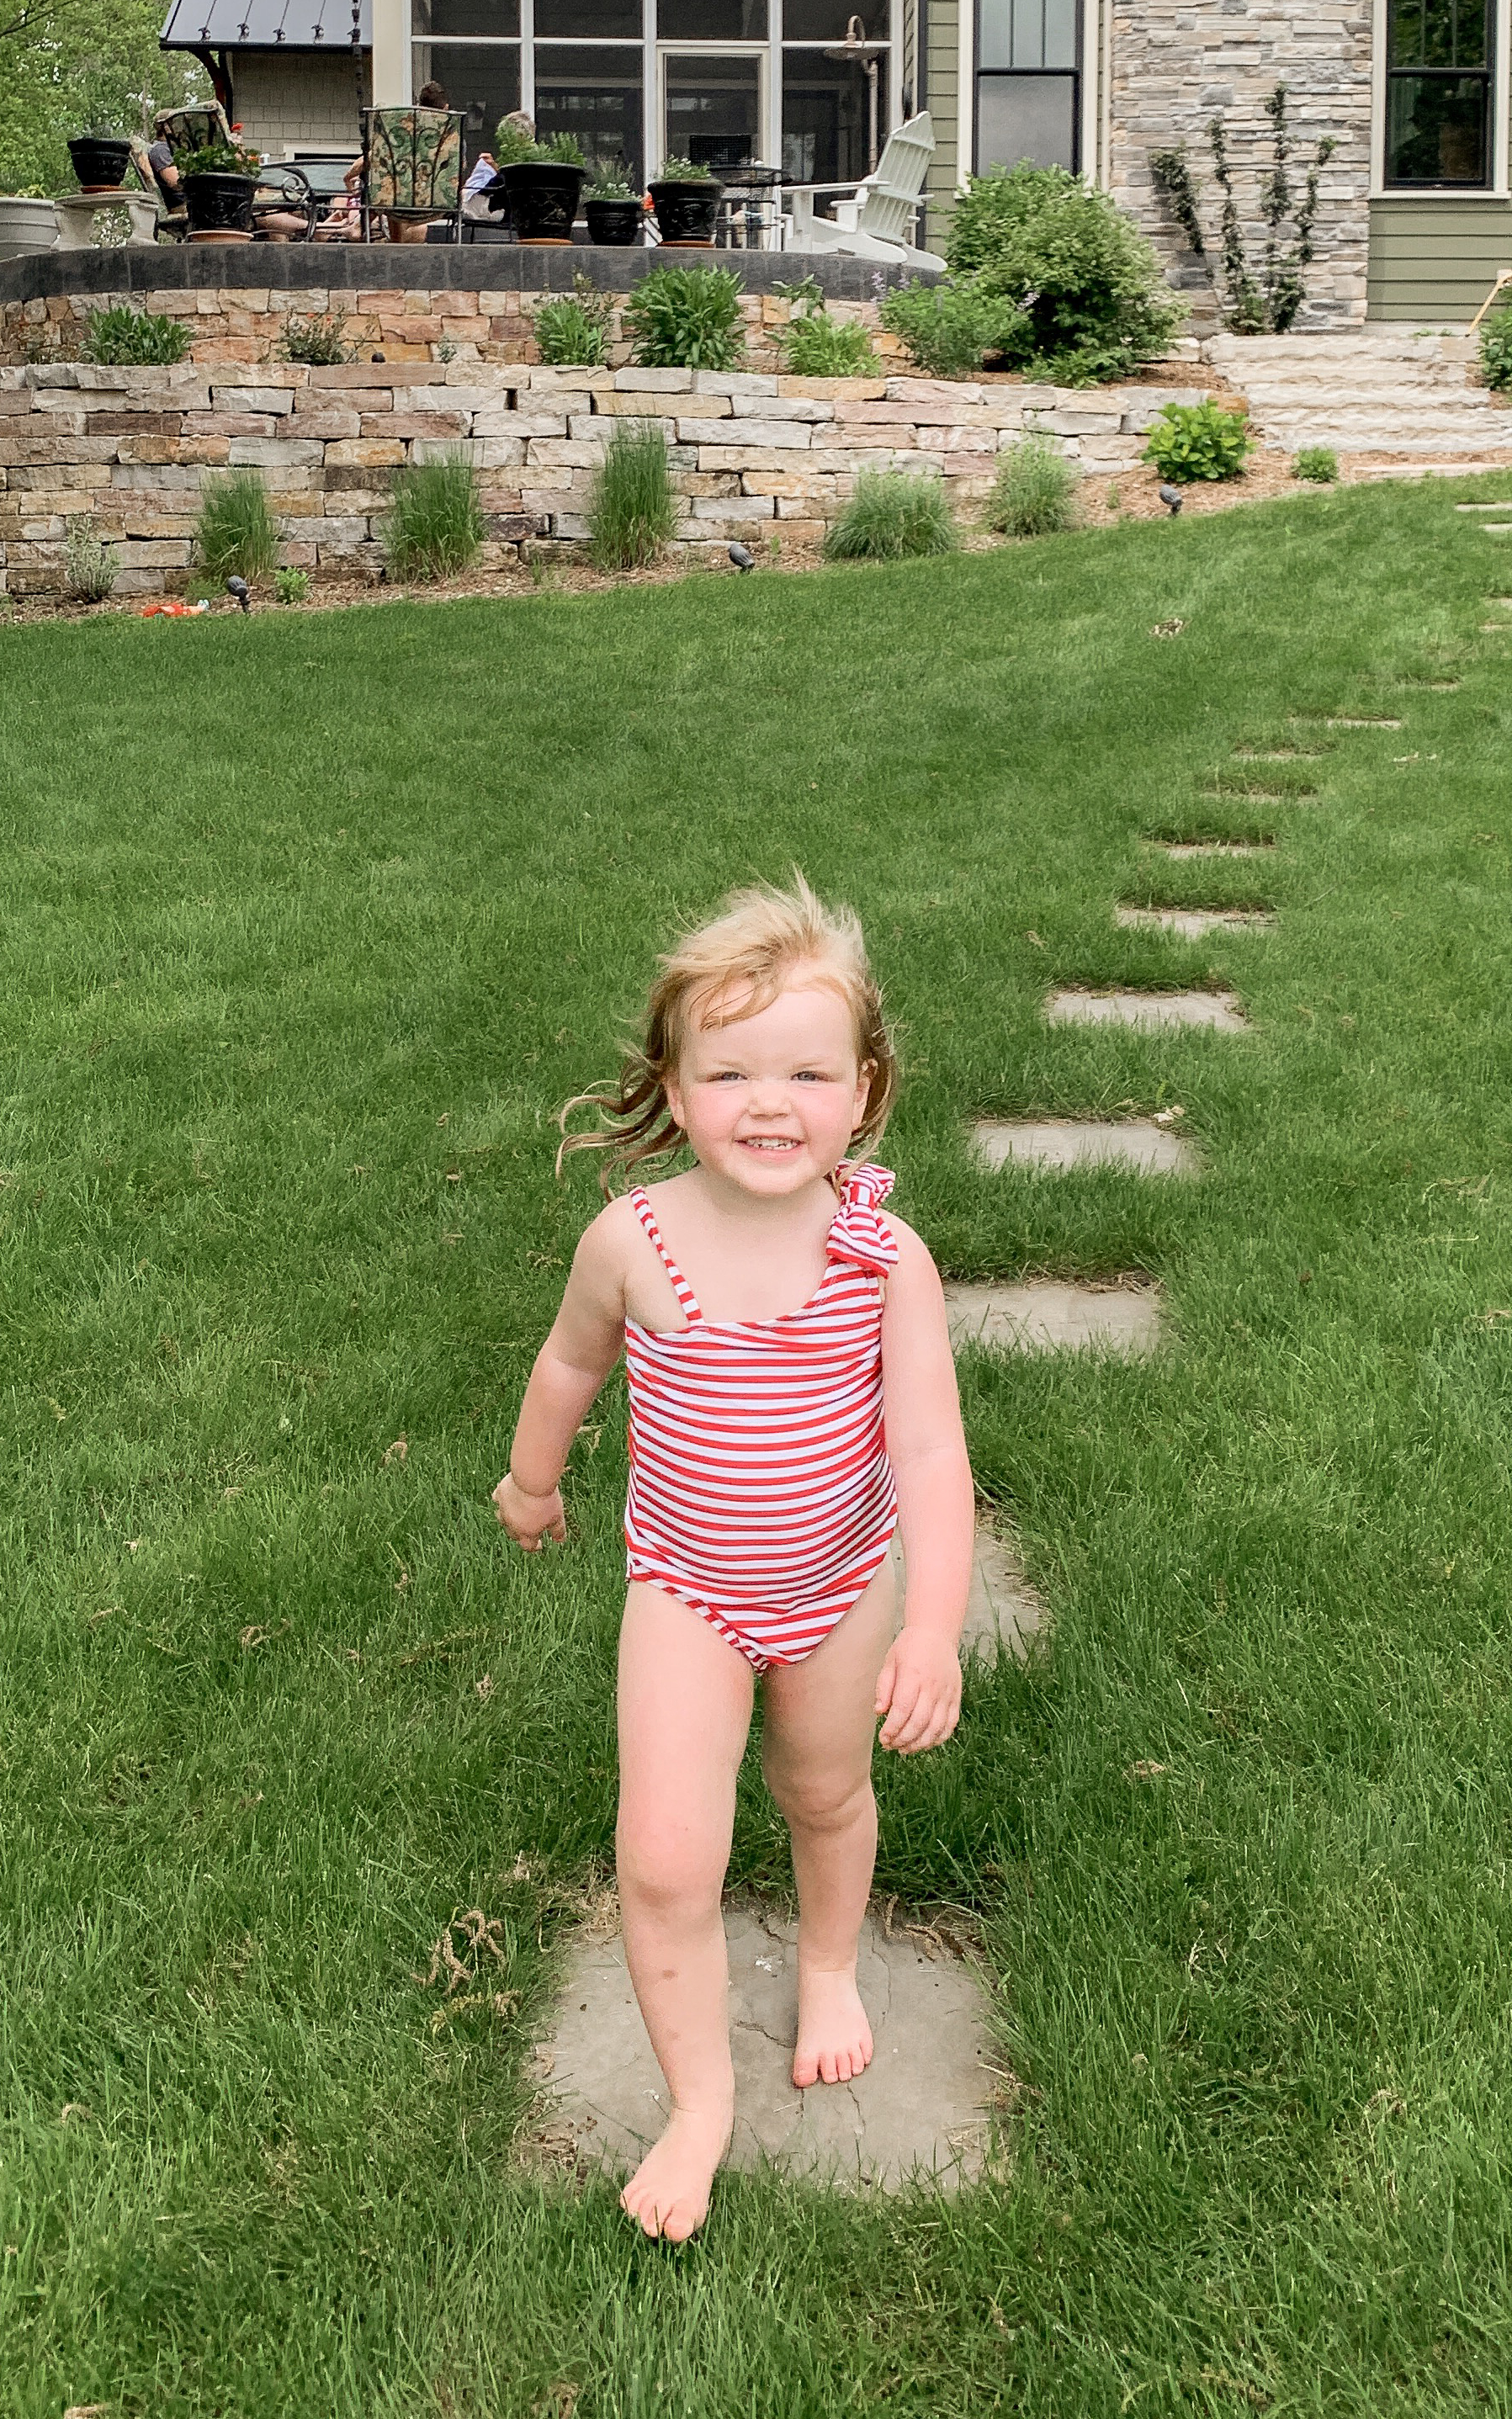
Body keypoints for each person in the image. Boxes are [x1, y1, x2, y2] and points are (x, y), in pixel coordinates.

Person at [493, 877, 971, 2246]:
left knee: (824, 1795)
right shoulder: (632, 1244)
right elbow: (570, 1362)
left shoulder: (886, 1263)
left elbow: (933, 1458)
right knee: (662, 1859)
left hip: (839, 1586)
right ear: (677, 1084)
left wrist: (929, 1630)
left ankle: (828, 1965)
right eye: (732, 1070)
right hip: (686, 1591)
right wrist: (533, 1483)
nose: (772, 1103)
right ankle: (700, 2102)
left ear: (865, 1088)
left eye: (809, 1070)